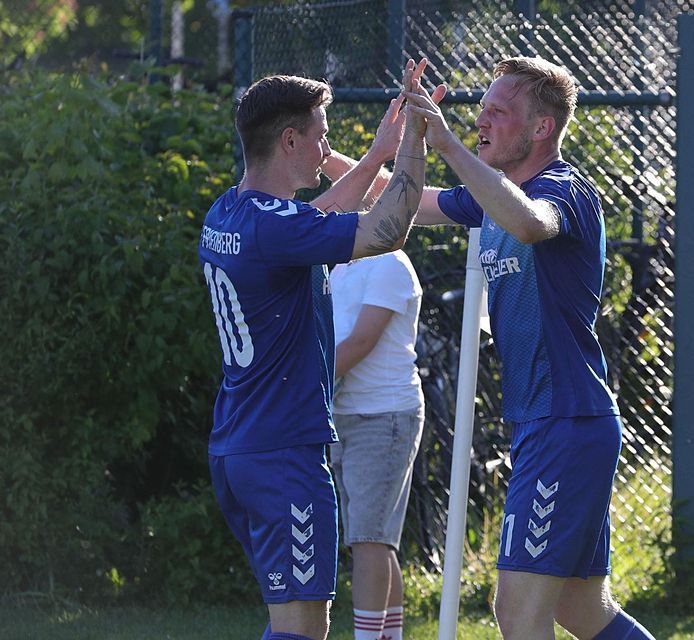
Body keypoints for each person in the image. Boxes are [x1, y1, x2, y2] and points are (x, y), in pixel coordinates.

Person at [334, 56, 656, 640]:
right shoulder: (489, 195)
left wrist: (451, 146)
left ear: (541, 129)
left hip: (567, 420)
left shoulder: (564, 189)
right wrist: (364, 152)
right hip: (547, 422)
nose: (482, 121)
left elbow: (532, 223)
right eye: (480, 110)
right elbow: (407, 198)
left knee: (517, 612)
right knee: (581, 610)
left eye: (498, 113)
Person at [197, 59, 431, 640]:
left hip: (241, 444)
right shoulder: (275, 227)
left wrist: (376, 155)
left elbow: (315, 218)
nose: (328, 147)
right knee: (303, 627)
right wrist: (414, 144)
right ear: (290, 139)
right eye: (322, 135)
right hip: (284, 450)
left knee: (296, 621)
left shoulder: (231, 211)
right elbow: (387, 230)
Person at [328, 248, 424, 640]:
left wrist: (298, 384)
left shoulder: (390, 263)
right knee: (373, 540)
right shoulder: (338, 266)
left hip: (385, 416)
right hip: (344, 413)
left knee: (369, 539)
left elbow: (362, 341)